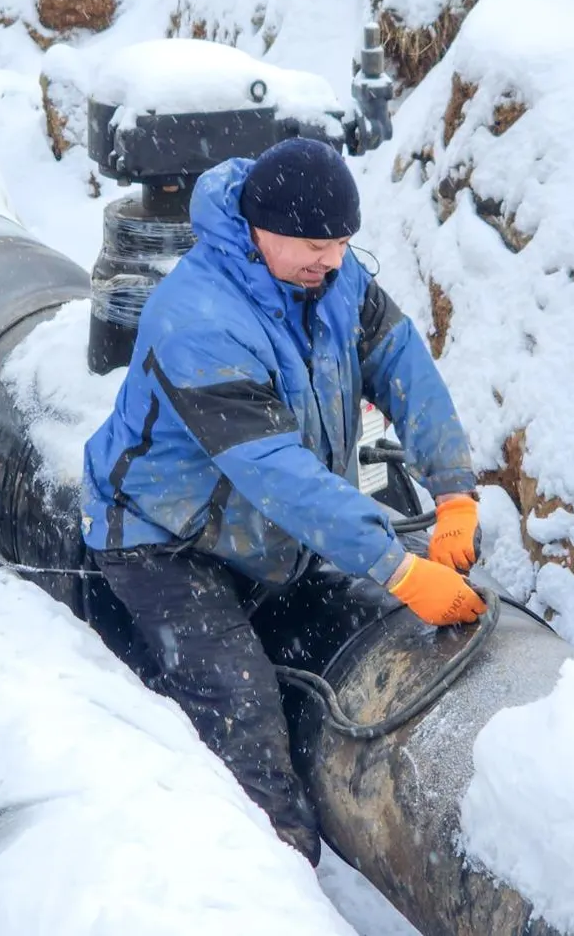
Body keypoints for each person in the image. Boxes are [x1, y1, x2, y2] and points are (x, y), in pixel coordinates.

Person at [80, 136, 486, 863]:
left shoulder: (334, 281)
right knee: (242, 706)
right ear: (258, 226)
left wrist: (453, 488)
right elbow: (277, 473)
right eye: (312, 244)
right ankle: (274, 876)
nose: (329, 260)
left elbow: (402, 365)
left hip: (258, 532)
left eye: (340, 243)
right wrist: (397, 567)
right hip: (161, 539)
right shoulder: (199, 317)